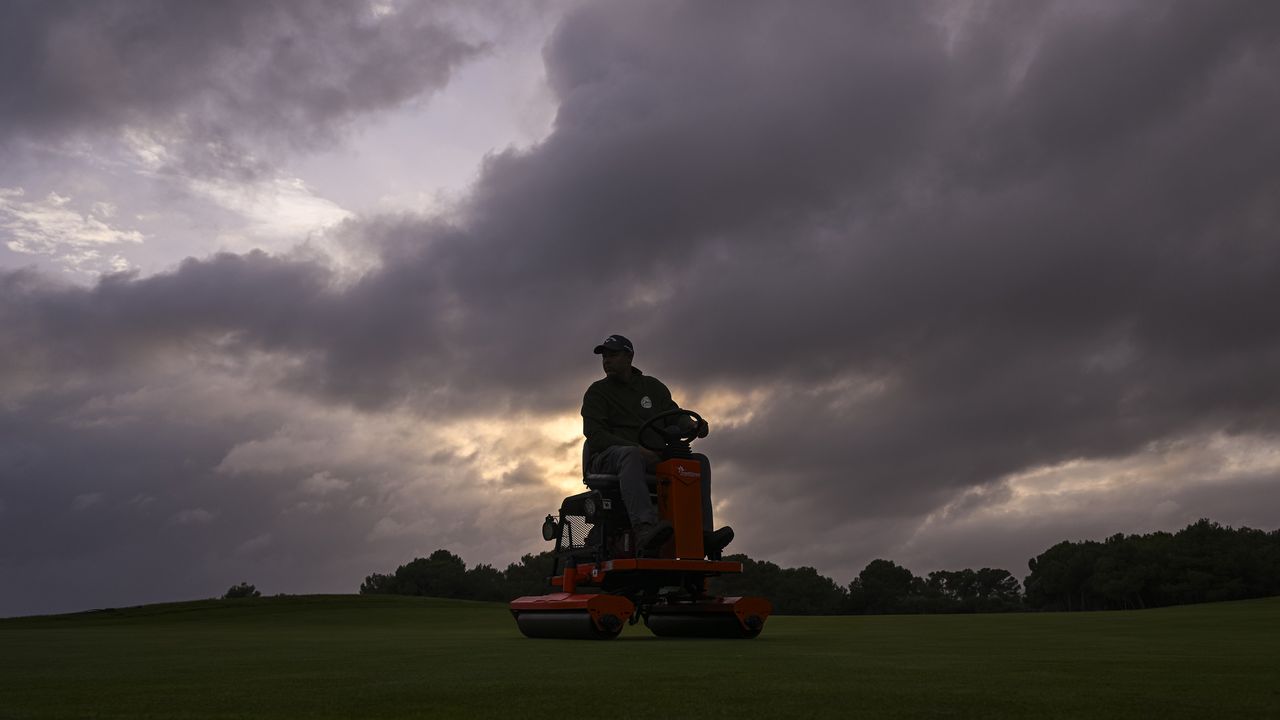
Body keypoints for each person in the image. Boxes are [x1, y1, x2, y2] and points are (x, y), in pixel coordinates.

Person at [581, 334, 734, 558]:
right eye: (604, 357)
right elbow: (595, 436)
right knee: (630, 455)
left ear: (630, 356)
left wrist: (692, 424)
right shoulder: (597, 392)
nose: (607, 361)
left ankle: (702, 535)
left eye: (613, 355)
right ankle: (645, 530)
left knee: (699, 462)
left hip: (653, 457)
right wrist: (639, 450)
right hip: (609, 458)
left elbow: (674, 416)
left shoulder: (653, 388)